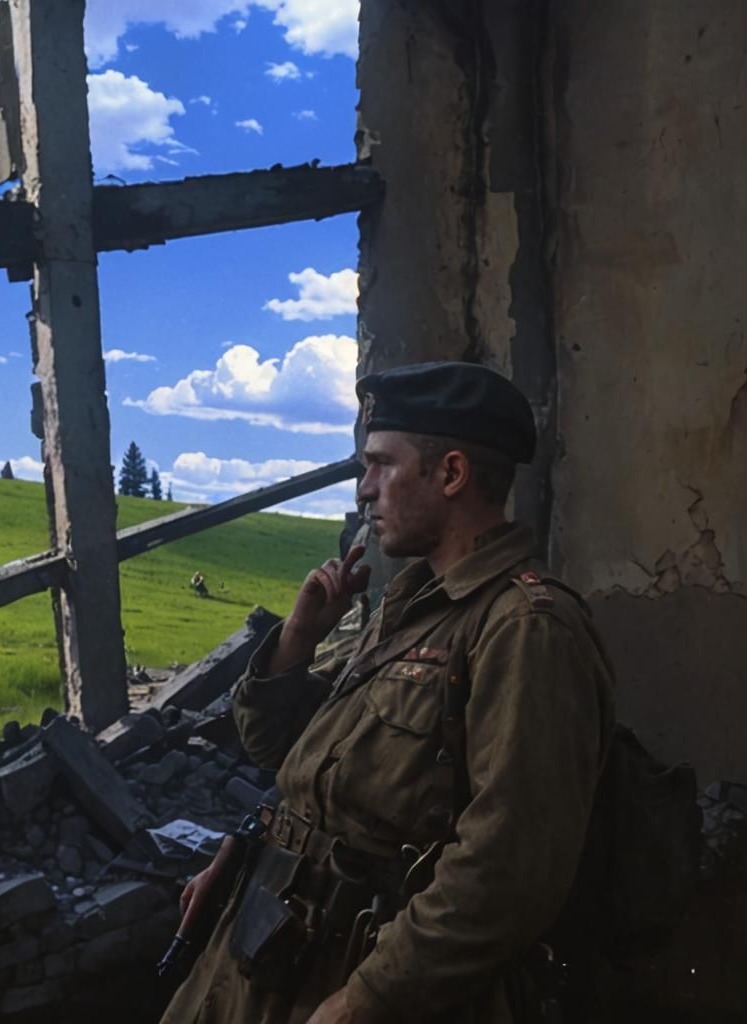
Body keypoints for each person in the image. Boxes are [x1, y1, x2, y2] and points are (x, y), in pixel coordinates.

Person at [160, 362, 615, 1024]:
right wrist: (297, 641)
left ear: (451, 474)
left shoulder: (527, 629)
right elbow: (284, 756)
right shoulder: (410, 607)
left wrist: (363, 1003)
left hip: (363, 980)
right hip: (274, 952)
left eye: (380, 465)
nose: (365, 491)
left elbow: (508, 872)